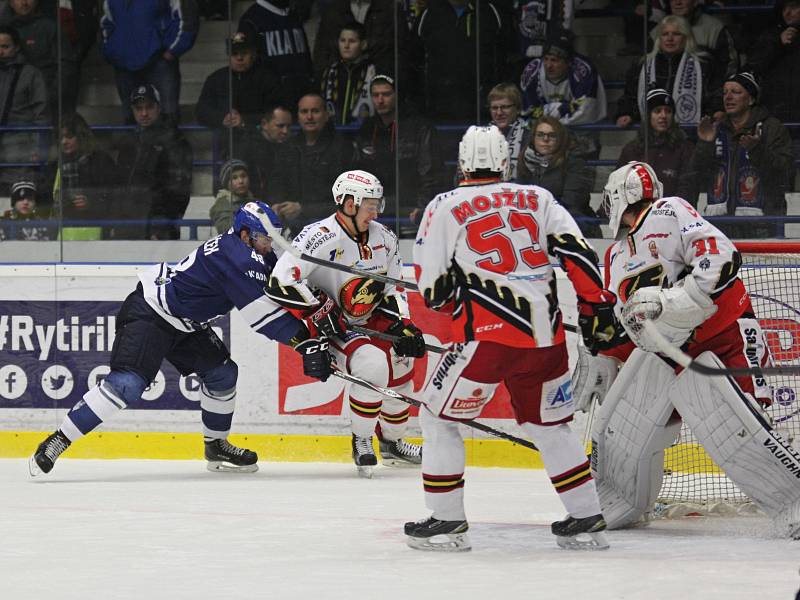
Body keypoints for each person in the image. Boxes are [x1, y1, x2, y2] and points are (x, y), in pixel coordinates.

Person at [406, 125, 616, 551]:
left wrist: (452, 303)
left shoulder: (445, 205)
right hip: (546, 342)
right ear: (506, 160)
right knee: (552, 426)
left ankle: (446, 521)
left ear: (462, 162)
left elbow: (432, 288)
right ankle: (585, 515)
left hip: (486, 341)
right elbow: (578, 253)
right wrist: (596, 307)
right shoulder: (538, 198)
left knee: (438, 417)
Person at [573, 161, 800, 538]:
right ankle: (620, 497)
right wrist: (605, 354)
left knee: (739, 429)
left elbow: (720, 256)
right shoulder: (614, 257)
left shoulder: (668, 211)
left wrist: (681, 300)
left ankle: (793, 499)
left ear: (620, 195)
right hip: (667, 354)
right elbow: (626, 321)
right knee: (622, 427)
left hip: (721, 336)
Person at [29, 201, 336, 476]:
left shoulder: (255, 253)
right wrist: (303, 341)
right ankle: (58, 440)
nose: (271, 244)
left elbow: (282, 286)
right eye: (266, 237)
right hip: (151, 312)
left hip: (187, 324)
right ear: (246, 235)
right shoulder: (237, 259)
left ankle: (216, 446)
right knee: (128, 384)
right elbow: (261, 316)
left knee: (223, 374)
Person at [266, 169, 425, 478]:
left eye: (377, 205)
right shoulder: (319, 236)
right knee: (373, 366)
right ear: (349, 203)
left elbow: (392, 286)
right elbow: (279, 281)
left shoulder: (385, 238)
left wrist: (402, 324)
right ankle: (363, 438)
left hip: (371, 315)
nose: (375, 212)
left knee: (403, 363)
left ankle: (393, 443)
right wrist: (317, 307)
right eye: (370, 205)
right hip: (337, 326)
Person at [690, 72, 794, 239]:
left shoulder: (771, 128)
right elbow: (696, 175)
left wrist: (757, 149)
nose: (728, 97)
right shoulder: (715, 129)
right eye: (725, 92)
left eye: (736, 92)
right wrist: (705, 143)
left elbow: (785, 172)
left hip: (762, 224)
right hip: (720, 226)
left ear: (751, 99)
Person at [355, 74, 444, 226]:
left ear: (397, 96)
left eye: (386, 94)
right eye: (376, 95)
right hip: (375, 207)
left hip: (409, 207)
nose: (380, 100)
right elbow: (359, 171)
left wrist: (422, 207)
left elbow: (429, 172)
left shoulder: (419, 127)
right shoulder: (367, 128)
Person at [112, 84, 193, 240]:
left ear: (158, 107)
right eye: (139, 108)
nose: (144, 113)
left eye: (149, 107)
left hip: (158, 231)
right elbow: (121, 185)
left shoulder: (174, 141)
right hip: (128, 226)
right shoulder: (129, 141)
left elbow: (178, 190)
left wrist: (161, 226)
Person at [101, 0, 198, 123]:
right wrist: (112, 51)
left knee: (168, 119)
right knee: (131, 119)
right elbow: (107, 22)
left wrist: (173, 50)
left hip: (160, 63)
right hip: (124, 66)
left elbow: (187, 19)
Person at [270, 93, 355, 231]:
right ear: (298, 116)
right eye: (304, 112)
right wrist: (277, 203)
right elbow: (277, 181)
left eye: (315, 111)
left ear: (326, 115)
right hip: (293, 229)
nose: (309, 117)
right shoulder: (288, 147)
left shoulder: (342, 148)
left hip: (332, 229)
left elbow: (342, 198)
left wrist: (303, 209)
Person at [616, 15, 720, 127]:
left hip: (692, 134)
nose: (670, 38)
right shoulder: (641, 65)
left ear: (686, 38)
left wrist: (715, 112)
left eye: (676, 34)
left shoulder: (704, 65)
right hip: (651, 135)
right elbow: (630, 97)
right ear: (659, 38)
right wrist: (626, 113)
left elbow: (713, 97)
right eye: (665, 34)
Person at [414, 0, 509, 121]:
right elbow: (414, 61)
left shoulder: (489, 12)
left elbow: (506, 58)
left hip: (483, 107)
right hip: (438, 107)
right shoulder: (429, 14)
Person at [516, 116, 599, 238]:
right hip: (537, 225)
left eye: (552, 135)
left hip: (573, 227)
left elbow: (572, 202)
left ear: (560, 139)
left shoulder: (575, 163)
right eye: (540, 134)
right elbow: (519, 201)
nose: (545, 139)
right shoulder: (525, 161)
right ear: (533, 138)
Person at [0, 0, 78, 119]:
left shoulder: (51, 28)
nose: (24, 2)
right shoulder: (3, 30)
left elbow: (65, 65)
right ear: (10, 3)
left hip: (45, 102)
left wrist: (50, 95)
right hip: (9, 105)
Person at [195, 31, 280, 142]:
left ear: (253, 55)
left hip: (260, 139)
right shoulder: (215, 79)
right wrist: (222, 118)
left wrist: (244, 120)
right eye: (234, 53)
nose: (239, 58)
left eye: (244, 53)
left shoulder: (267, 79)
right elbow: (201, 110)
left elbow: (277, 112)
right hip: (228, 142)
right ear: (228, 55)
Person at [47, 112, 117, 240]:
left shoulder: (101, 161)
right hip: (63, 237)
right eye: (60, 137)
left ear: (81, 136)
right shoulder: (56, 164)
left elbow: (114, 198)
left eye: (69, 136)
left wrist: (91, 202)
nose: (64, 141)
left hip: (96, 235)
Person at [617, 88, 696, 201]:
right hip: (639, 216)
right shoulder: (631, 150)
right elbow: (618, 187)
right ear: (648, 115)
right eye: (657, 111)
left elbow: (687, 188)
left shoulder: (685, 148)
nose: (663, 116)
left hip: (672, 215)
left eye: (668, 111)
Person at [238, 0, 313, 108]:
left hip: (301, 99)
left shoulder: (294, 15)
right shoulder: (250, 19)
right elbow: (245, 68)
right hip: (270, 103)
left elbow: (307, 59)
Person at [0, 24, 47, 194]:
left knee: (17, 198)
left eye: (5, 46)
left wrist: (37, 148)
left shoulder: (31, 74)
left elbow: (40, 114)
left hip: (20, 148)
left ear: (17, 47)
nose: (0, 52)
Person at [746, 0, 800, 123]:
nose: (787, 12)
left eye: (794, 6)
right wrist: (777, 43)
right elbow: (754, 66)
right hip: (775, 111)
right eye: (784, 7)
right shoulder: (771, 35)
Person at [240, 104, 296, 221]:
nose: (285, 131)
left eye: (288, 126)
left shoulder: (293, 148)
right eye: (280, 126)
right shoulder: (247, 150)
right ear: (265, 124)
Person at [663, 0, 738, 78]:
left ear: (695, 2)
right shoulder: (657, 30)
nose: (677, 2)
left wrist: (714, 87)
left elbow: (730, 65)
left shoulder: (715, 28)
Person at [320, 21, 375, 126]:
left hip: (363, 132)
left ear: (363, 45)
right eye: (342, 40)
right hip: (334, 134)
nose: (346, 45)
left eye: (352, 41)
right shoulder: (330, 71)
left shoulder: (372, 71)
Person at [487, 82, 530, 180]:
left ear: (518, 109)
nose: (499, 113)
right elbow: (459, 181)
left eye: (505, 107)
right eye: (494, 108)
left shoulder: (530, 137)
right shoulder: (480, 137)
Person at [209, 159, 256, 234]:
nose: (241, 181)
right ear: (226, 183)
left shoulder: (254, 201)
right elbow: (227, 230)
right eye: (234, 178)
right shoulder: (223, 204)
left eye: (243, 176)